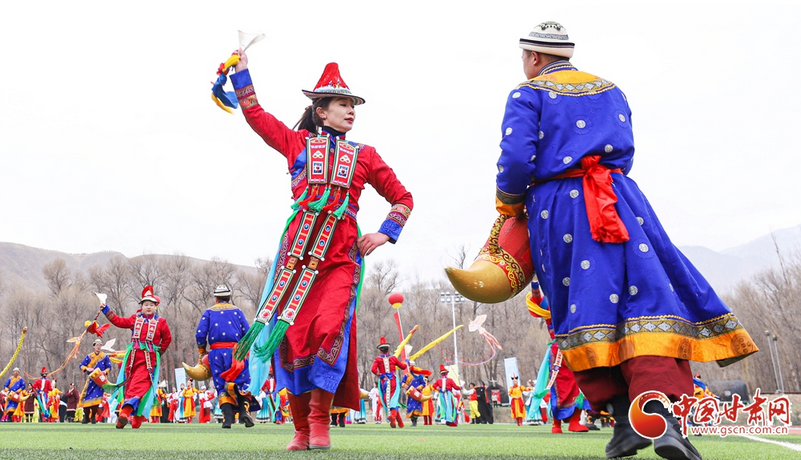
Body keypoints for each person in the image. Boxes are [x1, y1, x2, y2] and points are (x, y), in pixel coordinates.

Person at [493, 21, 759, 460]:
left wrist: (508, 207)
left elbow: (516, 159)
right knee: (644, 302)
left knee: (583, 306)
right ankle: (660, 419)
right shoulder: (611, 89)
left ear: (533, 58)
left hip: (561, 209)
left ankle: (621, 416)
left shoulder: (528, 93)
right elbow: (627, 150)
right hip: (622, 200)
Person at [229, 53, 413, 451]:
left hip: (340, 258)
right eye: (343, 105)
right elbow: (256, 114)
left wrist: (385, 233)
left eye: (353, 106)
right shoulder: (296, 143)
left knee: (331, 329)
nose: (351, 111)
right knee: (292, 339)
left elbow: (402, 198)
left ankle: (319, 421)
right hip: (296, 258)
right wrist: (241, 71)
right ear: (321, 111)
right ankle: (299, 429)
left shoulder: (365, 156)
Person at [102, 285, 173, 429]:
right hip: (132, 358)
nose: (148, 307)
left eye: (151, 305)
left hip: (149, 360)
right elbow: (119, 321)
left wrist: (158, 352)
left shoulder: (161, 322)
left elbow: (167, 339)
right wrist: (106, 310)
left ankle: (126, 412)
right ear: (141, 306)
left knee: (141, 385)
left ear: (156, 307)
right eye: (145, 304)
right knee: (131, 386)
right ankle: (137, 417)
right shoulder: (135, 319)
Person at [527, 290, 589, 434]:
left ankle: (575, 421)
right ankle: (556, 424)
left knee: (580, 386)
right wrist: (535, 281)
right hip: (560, 353)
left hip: (578, 350)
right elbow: (537, 298)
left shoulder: (577, 302)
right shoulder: (551, 305)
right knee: (559, 388)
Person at [195, 284, 254, 429]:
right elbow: (247, 332)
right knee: (241, 382)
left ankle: (227, 419)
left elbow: (200, 333)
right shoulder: (238, 311)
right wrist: (245, 350)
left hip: (216, 354)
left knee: (221, 384)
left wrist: (202, 350)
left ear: (216, 299)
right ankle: (243, 412)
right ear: (229, 298)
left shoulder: (209, 312)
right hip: (237, 352)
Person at [371, 337, 408, 429]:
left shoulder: (378, 359)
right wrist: (406, 362)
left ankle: (399, 423)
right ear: (388, 349)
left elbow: (373, 369)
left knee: (389, 401)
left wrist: (380, 374)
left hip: (383, 381)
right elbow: (403, 367)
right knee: (393, 401)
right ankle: (393, 417)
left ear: (380, 350)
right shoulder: (393, 358)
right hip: (393, 381)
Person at [79, 338, 112, 424]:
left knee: (97, 399)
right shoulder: (89, 356)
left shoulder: (104, 356)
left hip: (99, 380)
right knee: (86, 398)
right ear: (94, 346)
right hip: (91, 380)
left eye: (100, 345)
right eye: (97, 345)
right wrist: (87, 368)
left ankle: (93, 416)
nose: (98, 347)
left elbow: (109, 367)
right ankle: (86, 416)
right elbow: (81, 365)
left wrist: (105, 371)